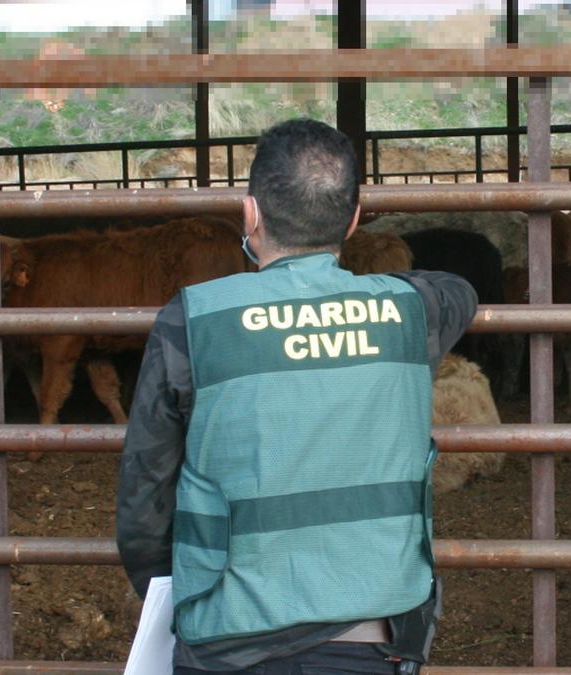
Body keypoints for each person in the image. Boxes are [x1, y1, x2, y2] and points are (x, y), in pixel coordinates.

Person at [116, 118, 478, 674]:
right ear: (354, 219)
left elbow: (145, 497)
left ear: (250, 212)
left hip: (226, 638)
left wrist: (177, 592)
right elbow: (458, 289)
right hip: (370, 642)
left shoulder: (192, 319)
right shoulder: (410, 312)